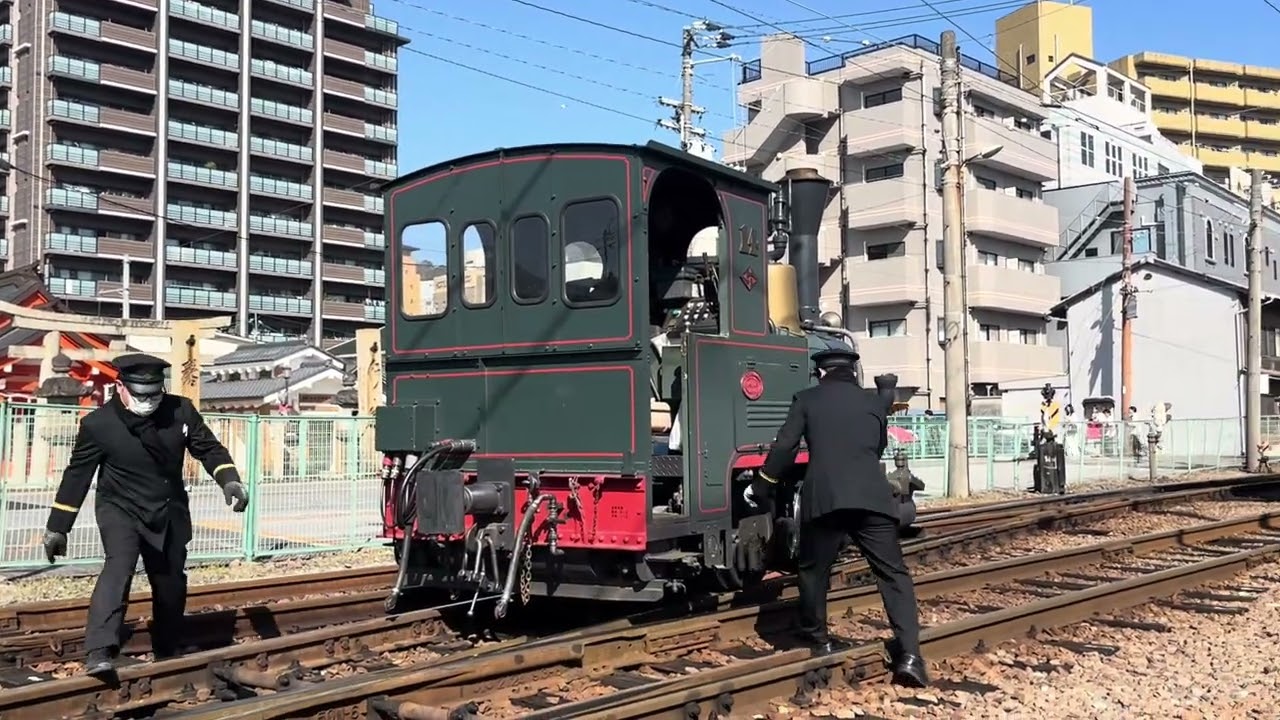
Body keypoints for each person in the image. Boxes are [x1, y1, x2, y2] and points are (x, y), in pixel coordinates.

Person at [41, 353, 250, 678]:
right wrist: (58, 527)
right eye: (141, 396)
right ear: (120, 387)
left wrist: (229, 480)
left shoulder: (180, 410)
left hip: (168, 507)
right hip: (119, 508)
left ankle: (167, 648)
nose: (150, 402)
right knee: (118, 568)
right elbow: (77, 476)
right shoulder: (99, 425)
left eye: (155, 394)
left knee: (170, 581)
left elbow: (208, 448)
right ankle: (100, 650)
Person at [744, 347, 928, 688]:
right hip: (872, 498)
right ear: (851, 372)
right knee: (893, 574)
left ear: (820, 373)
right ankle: (911, 656)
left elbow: (785, 446)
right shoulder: (874, 403)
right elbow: (877, 447)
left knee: (814, 570)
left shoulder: (807, 399)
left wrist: (764, 483)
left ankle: (819, 640)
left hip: (825, 499)